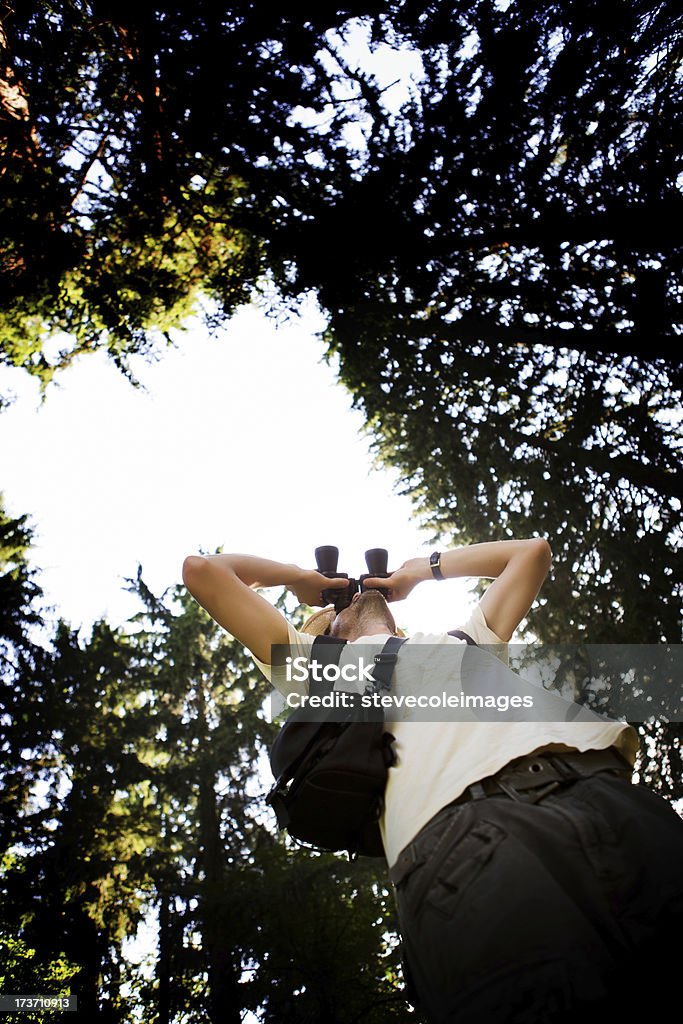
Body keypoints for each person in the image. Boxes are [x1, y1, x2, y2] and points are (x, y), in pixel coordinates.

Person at [182, 540, 683, 1023]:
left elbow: (531, 554)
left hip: (609, 797)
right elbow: (204, 572)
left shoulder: (464, 644)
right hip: (469, 844)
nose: (356, 597)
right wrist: (301, 580)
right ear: (326, 633)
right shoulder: (318, 668)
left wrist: (418, 572)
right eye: (340, 609)